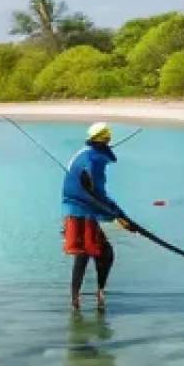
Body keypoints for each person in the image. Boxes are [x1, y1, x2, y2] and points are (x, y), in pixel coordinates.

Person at [61, 122, 135, 312]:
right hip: (82, 211)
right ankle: (96, 294)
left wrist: (119, 215)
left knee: (84, 254)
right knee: (102, 254)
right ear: (106, 139)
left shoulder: (83, 154)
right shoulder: (94, 161)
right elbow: (98, 195)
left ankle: (76, 299)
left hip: (74, 209)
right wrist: (118, 216)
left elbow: (93, 191)